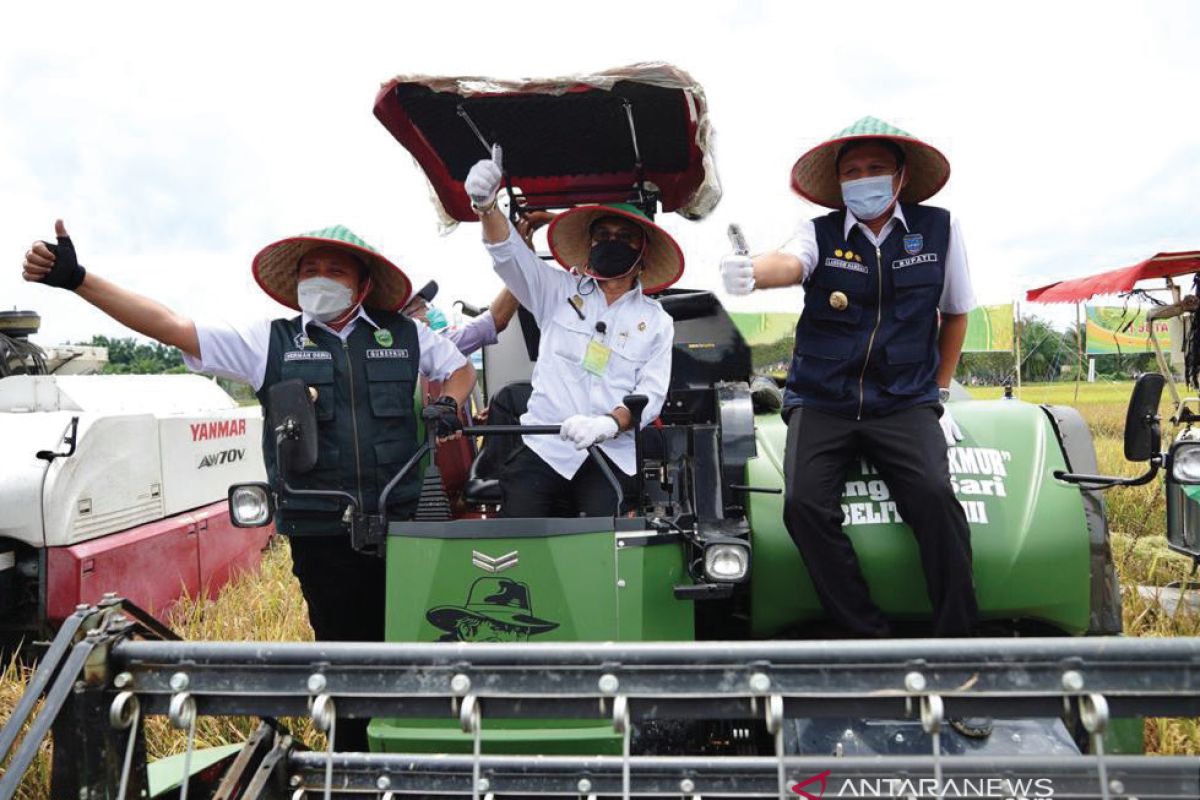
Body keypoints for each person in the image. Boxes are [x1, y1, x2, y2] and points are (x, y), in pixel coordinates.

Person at [21, 221, 475, 642]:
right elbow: (172, 327)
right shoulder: (268, 342)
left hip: (402, 518)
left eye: (334, 270)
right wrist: (80, 280)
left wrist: (449, 406)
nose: (320, 278)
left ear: (363, 285)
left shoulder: (404, 335)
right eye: (309, 270)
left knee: (411, 637)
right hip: (321, 527)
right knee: (343, 649)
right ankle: (351, 731)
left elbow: (459, 370)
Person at [719, 117, 978, 640]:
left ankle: (961, 648)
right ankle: (870, 640)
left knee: (934, 496)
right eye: (852, 172)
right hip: (822, 399)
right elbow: (790, 263)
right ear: (839, 185)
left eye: (876, 168)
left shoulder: (940, 230)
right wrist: (752, 273)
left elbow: (955, 314)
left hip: (905, 400)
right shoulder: (818, 233)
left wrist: (940, 393)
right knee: (803, 508)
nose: (864, 179)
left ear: (901, 176)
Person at [464, 152, 676, 517]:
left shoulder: (656, 321)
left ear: (642, 256)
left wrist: (608, 423)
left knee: (602, 547)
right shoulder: (556, 291)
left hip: (611, 454)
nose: (612, 242)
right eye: (603, 235)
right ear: (590, 246)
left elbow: (652, 395)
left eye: (625, 237)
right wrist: (486, 207)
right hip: (546, 448)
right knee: (519, 540)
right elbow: (508, 256)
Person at [403, 280, 520, 357]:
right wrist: (519, 269)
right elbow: (496, 320)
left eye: (427, 305)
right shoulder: (432, 347)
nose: (430, 311)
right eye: (422, 306)